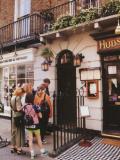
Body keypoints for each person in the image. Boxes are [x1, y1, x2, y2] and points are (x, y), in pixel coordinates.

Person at [23, 93, 48, 159]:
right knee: (39, 139)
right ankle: (42, 151)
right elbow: (40, 116)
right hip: (35, 125)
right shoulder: (36, 106)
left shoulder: (24, 106)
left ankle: (32, 154)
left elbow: (24, 113)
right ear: (32, 99)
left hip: (28, 125)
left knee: (30, 140)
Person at [10, 87, 25, 155]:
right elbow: (19, 108)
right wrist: (24, 105)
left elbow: (11, 107)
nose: (23, 94)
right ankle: (19, 149)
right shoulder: (18, 97)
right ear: (20, 92)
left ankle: (13, 147)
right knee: (18, 132)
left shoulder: (12, 97)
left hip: (14, 116)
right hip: (18, 116)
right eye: (22, 93)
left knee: (13, 131)